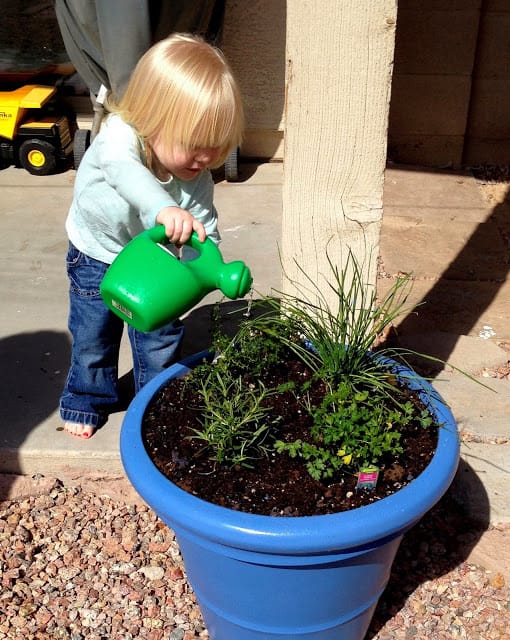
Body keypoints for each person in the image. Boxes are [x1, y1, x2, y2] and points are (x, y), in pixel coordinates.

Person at [60, 33, 244, 439]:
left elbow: (203, 227)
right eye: (195, 145)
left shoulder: (197, 177)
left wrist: (210, 264)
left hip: (154, 267)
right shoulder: (119, 138)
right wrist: (163, 208)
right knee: (93, 335)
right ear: (152, 120)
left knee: (160, 337)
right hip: (97, 252)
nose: (206, 158)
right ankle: (86, 398)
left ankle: (156, 400)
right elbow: (128, 176)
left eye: (215, 147)